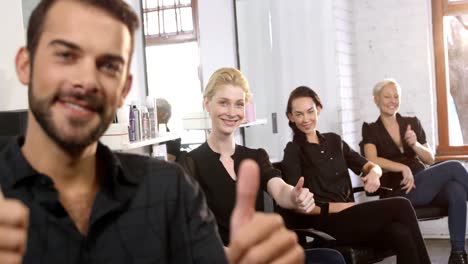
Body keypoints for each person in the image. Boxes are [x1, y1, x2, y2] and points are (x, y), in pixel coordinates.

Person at [0, 0, 305, 263]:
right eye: (66, 55)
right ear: (26, 64)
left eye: (109, 66)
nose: (85, 80)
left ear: (124, 89)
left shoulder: (167, 188)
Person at [282, 86, 431, 264]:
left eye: (310, 111)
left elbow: (371, 166)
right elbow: (296, 204)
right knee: (402, 205)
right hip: (327, 224)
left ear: (318, 110)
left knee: (401, 233)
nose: (306, 119)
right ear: (291, 117)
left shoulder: (334, 141)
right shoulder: (293, 150)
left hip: (352, 217)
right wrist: (337, 207)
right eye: (299, 114)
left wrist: (374, 174)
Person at [182, 68, 315, 246]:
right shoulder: (190, 164)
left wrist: (294, 197)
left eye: (239, 104)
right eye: (223, 103)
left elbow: (280, 189)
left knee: (330, 258)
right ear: (207, 103)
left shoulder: (256, 156)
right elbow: (190, 232)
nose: (231, 112)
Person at [361, 78, 468, 264]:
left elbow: (429, 158)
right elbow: (372, 159)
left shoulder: (411, 122)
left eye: (396, 96)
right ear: (376, 100)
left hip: (423, 184)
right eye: (387, 96)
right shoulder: (370, 129)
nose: (392, 100)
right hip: (399, 192)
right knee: (455, 167)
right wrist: (402, 167)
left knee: (455, 189)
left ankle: (458, 255)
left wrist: (415, 144)